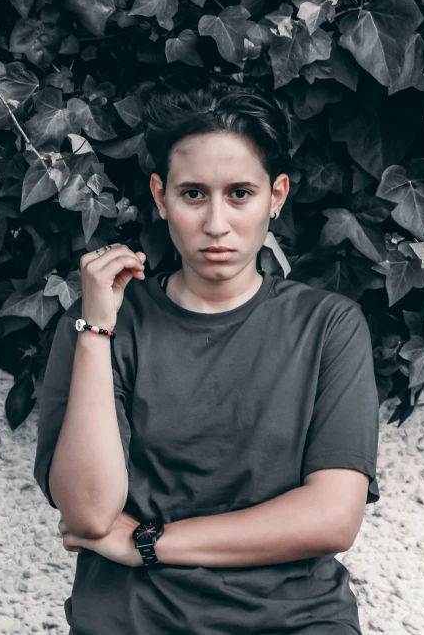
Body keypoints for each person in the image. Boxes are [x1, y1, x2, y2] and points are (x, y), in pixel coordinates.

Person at [33, 70, 380, 635]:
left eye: (239, 193)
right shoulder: (101, 326)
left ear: (277, 196)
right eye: (193, 193)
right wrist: (96, 329)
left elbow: (333, 517)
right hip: (132, 620)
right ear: (160, 197)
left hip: (293, 621)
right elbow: (90, 513)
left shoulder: (328, 326)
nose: (217, 225)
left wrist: (145, 542)